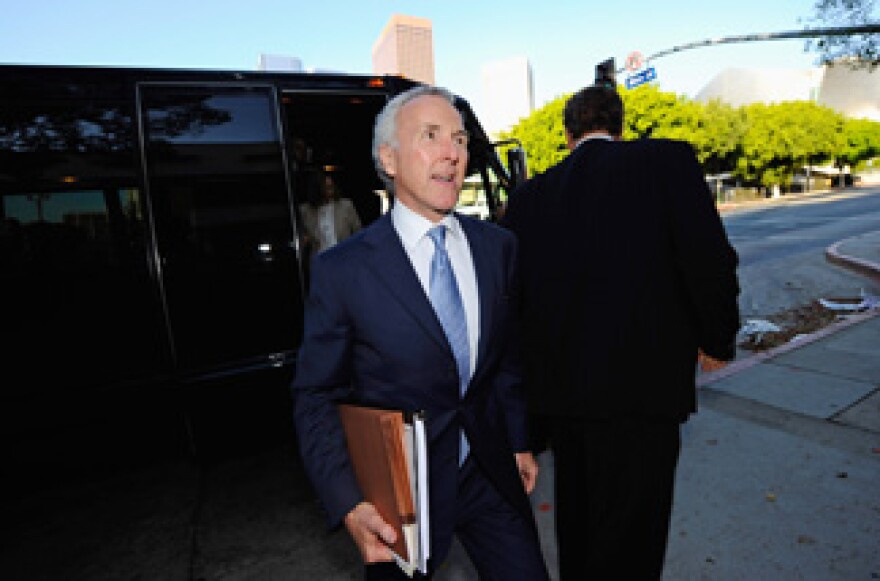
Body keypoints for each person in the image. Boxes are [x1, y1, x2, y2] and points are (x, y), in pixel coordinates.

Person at [291, 85, 550, 580]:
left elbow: (507, 358)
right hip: (401, 501)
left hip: (489, 476)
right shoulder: (342, 270)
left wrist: (518, 439)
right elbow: (315, 396)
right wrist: (348, 503)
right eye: (430, 136)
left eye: (459, 138)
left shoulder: (498, 248)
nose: (452, 152)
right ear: (388, 158)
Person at [501, 84, 740, 580]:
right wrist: (717, 341)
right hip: (643, 396)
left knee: (579, 526)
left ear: (568, 135)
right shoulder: (667, 163)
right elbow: (709, 259)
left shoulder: (530, 197)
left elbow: (517, 306)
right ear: (620, 125)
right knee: (634, 534)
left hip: (565, 402)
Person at [298, 171, 362, 261]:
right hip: (321, 262)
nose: (330, 188)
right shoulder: (305, 211)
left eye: (331, 186)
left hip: (344, 258)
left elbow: (358, 232)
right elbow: (303, 238)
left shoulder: (346, 205)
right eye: (326, 187)